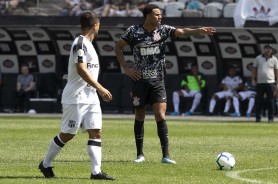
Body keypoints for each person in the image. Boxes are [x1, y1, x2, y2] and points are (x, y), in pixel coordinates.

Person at [114, 3, 215, 164]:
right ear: (147, 16)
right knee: (139, 116)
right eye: (157, 14)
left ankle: (166, 155)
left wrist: (198, 30)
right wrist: (126, 68)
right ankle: (140, 155)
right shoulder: (133, 31)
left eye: (160, 14)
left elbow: (181, 32)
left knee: (160, 115)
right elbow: (118, 47)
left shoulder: (163, 30)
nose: (160, 17)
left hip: (158, 80)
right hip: (139, 80)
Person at [38, 11, 115, 180]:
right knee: (68, 134)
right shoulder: (79, 43)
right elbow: (81, 70)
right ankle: (45, 164)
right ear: (95, 26)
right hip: (76, 97)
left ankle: (96, 172)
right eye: (99, 25)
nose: (99, 27)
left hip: (91, 97)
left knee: (96, 132)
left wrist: (96, 91)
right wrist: (101, 88)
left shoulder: (89, 44)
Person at [252, 44, 278, 123]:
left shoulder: (274, 59)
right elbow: (254, 69)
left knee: (270, 101)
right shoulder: (258, 58)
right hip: (260, 83)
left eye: (269, 48)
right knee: (259, 101)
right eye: (266, 48)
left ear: (271, 50)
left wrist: (277, 83)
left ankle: (270, 119)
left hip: (270, 83)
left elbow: (277, 72)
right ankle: (258, 118)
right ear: (263, 49)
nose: (268, 50)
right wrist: (253, 79)